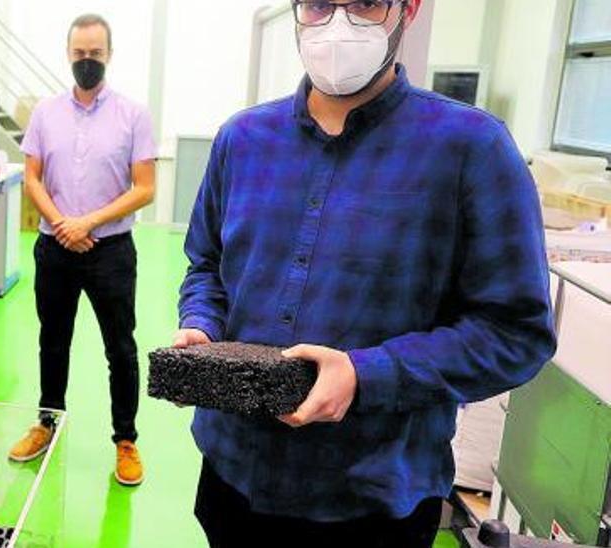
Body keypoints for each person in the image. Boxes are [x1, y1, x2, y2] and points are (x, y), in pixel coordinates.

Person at [175, 0, 556, 545]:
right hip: (235, 475)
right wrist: (202, 325)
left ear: (408, 9)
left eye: (365, 3)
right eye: (320, 5)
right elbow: (207, 266)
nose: (338, 24)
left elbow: (516, 332)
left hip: (374, 501)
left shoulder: (472, 149)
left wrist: (366, 374)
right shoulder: (243, 140)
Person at [7, 13, 157, 487]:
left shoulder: (133, 114)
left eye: (95, 54)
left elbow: (145, 187)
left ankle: (126, 440)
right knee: (53, 340)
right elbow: (31, 176)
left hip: (110, 251)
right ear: (68, 54)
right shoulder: (46, 114)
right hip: (55, 250)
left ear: (108, 55)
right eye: (79, 54)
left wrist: (87, 222)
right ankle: (47, 421)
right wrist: (60, 224)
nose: (86, 61)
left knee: (121, 348)